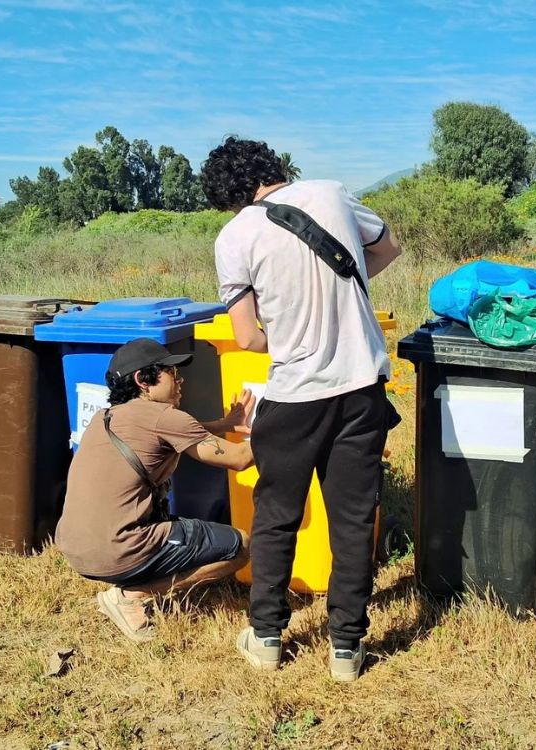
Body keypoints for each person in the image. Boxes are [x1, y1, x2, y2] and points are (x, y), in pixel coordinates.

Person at [200, 136, 402, 682]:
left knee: (276, 517)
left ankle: (266, 637)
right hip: (361, 390)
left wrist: (287, 330)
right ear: (273, 168)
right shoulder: (332, 193)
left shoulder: (234, 235)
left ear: (229, 194)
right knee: (354, 519)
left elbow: (246, 337)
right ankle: (346, 649)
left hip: (293, 399)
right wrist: (342, 301)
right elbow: (386, 250)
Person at [55, 338, 255, 644]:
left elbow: (176, 430)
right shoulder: (165, 417)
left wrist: (227, 423)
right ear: (143, 380)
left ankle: (133, 580)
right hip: (117, 550)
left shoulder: (105, 417)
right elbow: (240, 459)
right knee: (240, 546)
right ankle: (132, 595)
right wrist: (281, 426)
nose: (180, 379)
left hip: (75, 549)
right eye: (171, 372)